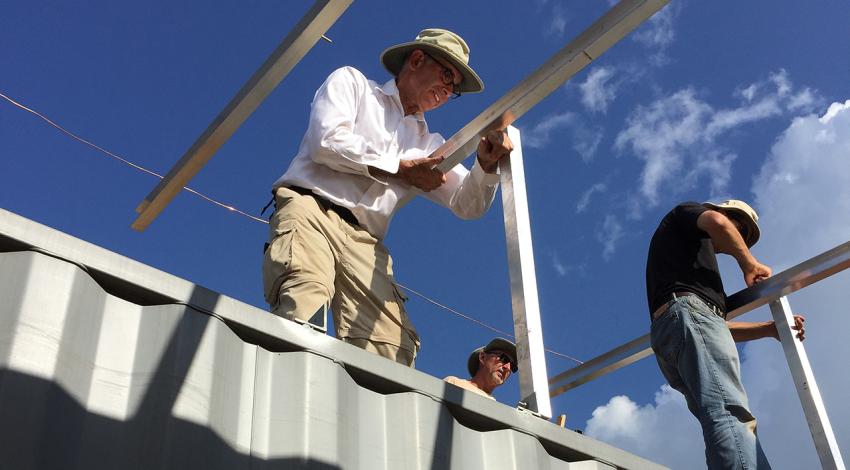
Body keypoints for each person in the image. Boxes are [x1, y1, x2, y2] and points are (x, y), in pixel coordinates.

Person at [262, 29, 513, 367]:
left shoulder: (428, 144)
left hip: (365, 241)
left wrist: (485, 166)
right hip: (312, 209)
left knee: (392, 351)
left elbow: (467, 204)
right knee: (305, 308)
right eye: (446, 75)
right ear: (416, 59)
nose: (447, 90)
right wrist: (399, 168)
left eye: (453, 89)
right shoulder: (352, 84)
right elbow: (327, 142)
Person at [646, 200, 806, 469]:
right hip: (685, 317)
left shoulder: (688, 270)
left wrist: (767, 329)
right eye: (739, 227)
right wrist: (749, 263)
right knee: (728, 412)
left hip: (672, 329)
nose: (739, 237)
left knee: (717, 415)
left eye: (745, 237)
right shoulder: (689, 211)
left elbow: (710, 326)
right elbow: (717, 224)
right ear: (722, 212)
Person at [444, 338, 517, 400]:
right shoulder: (454, 383)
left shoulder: (497, 409)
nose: (508, 368)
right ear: (482, 357)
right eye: (504, 358)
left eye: (512, 366)